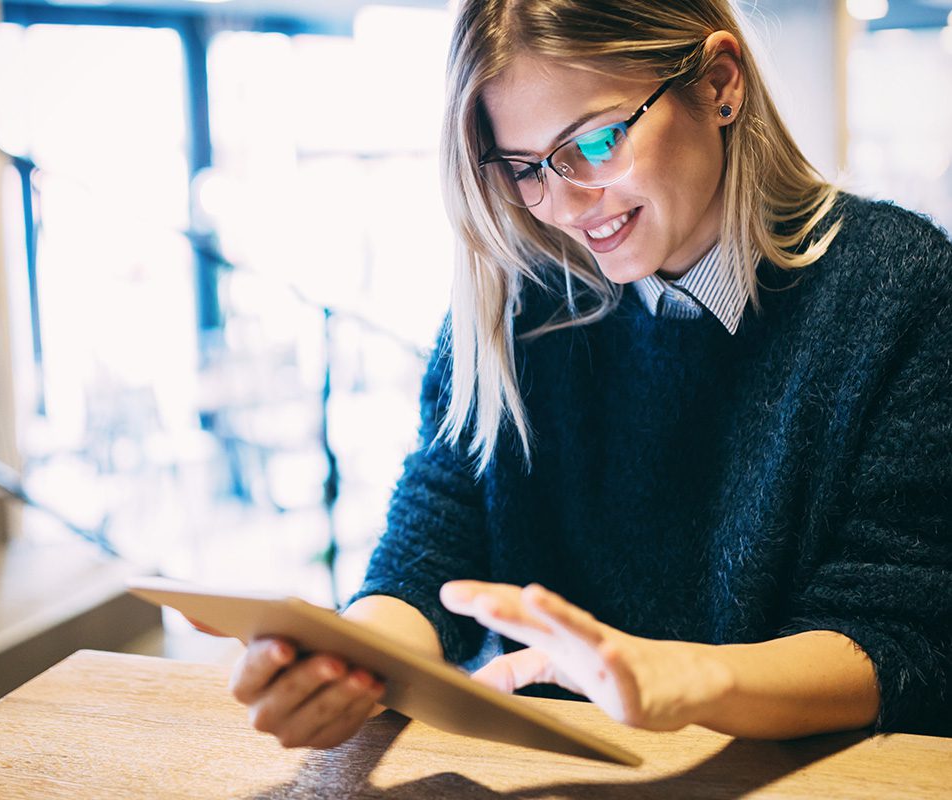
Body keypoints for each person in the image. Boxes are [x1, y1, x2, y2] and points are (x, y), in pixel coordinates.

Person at [227, 0, 952, 749]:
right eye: (525, 168)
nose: (566, 205)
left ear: (720, 85)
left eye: (597, 141)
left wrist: (685, 677)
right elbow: (431, 552)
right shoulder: (517, 299)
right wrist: (350, 663)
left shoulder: (899, 290)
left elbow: (907, 637)